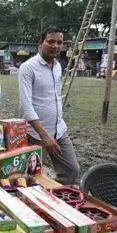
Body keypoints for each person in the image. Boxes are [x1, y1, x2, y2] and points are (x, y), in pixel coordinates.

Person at [18, 27, 80, 185]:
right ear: (40, 42)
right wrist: (44, 136)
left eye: (59, 43)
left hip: (59, 130)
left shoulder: (58, 66)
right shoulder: (28, 68)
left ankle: (55, 197)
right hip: (36, 134)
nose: (56, 46)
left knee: (71, 170)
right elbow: (26, 105)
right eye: (51, 41)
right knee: (30, 177)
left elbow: (55, 97)